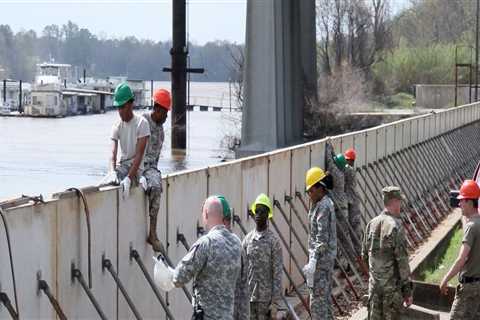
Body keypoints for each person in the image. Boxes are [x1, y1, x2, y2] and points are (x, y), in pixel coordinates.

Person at [154, 195, 242, 319]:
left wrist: (166, 271)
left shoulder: (206, 243)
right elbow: (243, 287)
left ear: (206, 214)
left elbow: (179, 278)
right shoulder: (237, 243)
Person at [362, 186, 413, 320]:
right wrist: (407, 291)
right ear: (395, 201)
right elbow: (402, 263)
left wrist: (376, 276)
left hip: (374, 291)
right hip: (392, 292)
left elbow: (364, 256)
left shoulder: (371, 224)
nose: (401, 205)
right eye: (400, 201)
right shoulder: (396, 226)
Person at [440, 180, 480, 319]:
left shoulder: (471, 227)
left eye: (462, 200)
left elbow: (462, 259)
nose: (459, 204)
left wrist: (445, 279)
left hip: (468, 289)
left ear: (470, 202)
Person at [243, 193, 283, 320]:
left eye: (262, 211)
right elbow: (241, 269)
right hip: (249, 298)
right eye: (256, 210)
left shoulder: (273, 242)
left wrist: (275, 303)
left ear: (268, 215)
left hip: (265, 302)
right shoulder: (247, 240)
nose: (258, 214)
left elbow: (277, 274)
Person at [303, 167, 336, 320]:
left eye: (311, 190)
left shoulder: (323, 206)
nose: (309, 194)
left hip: (321, 264)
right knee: (325, 303)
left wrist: (313, 261)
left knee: (317, 306)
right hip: (324, 263)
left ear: (320, 188)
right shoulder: (321, 203)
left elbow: (321, 239)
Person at [141, 89, 171, 252]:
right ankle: (152, 234)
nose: (166, 117)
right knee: (156, 186)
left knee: (157, 184)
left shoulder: (160, 131)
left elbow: (156, 157)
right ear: (157, 109)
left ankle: (153, 232)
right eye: (165, 113)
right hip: (138, 164)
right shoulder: (143, 121)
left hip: (151, 168)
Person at [110, 82, 150, 198]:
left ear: (131, 104)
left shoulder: (142, 124)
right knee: (110, 182)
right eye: (118, 108)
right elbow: (112, 153)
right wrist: (112, 171)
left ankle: (138, 179)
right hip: (122, 166)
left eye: (123, 107)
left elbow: (139, 156)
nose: (120, 111)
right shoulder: (117, 126)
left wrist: (129, 178)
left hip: (137, 170)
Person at [325, 141, 358, 263]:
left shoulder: (337, 174)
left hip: (339, 210)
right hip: (343, 207)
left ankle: (348, 263)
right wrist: (333, 149)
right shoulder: (343, 172)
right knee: (345, 236)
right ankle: (351, 261)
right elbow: (336, 161)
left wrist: (328, 147)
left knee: (342, 238)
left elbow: (330, 161)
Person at [344, 148, 362, 253]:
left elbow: (339, 167)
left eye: (347, 159)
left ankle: (358, 253)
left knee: (354, 229)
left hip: (353, 203)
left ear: (351, 160)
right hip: (351, 202)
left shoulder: (349, 170)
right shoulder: (349, 169)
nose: (346, 161)